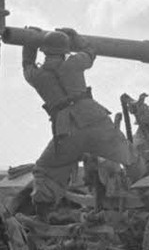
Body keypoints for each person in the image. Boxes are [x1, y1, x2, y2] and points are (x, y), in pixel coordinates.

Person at [23, 28, 133, 221]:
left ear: (45, 51)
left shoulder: (37, 77)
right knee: (130, 155)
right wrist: (75, 37)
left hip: (67, 133)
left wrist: (29, 40)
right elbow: (91, 52)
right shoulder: (74, 64)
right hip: (96, 122)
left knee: (44, 171)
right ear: (65, 51)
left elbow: (27, 65)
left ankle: (43, 217)